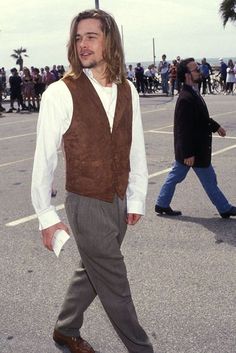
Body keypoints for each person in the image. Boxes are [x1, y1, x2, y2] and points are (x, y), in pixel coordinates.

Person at [31, 9, 153, 353]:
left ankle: (66, 328)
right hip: (86, 203)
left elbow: (136, 147)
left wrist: (136, 197)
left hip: (119, 199)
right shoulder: (60, 91)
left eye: (91, 36)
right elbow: (45, 158)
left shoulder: (129, 89)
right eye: (78, 37)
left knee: (93, 270)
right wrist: (46, 216)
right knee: (115, 283)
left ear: (109, 41)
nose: (82, 44)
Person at [155, 57, 236, 218]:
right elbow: (183, 130)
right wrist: (188, 154)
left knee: (177, 176)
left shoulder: (193, 92)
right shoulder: (186, 98)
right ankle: (224, 208)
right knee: (208, 180)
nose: (199, 72)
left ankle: (161, 204)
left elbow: (201, 118)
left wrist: (216, 126)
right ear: (187, 75)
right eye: (196, 70)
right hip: (194, 151)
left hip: (192, 150)